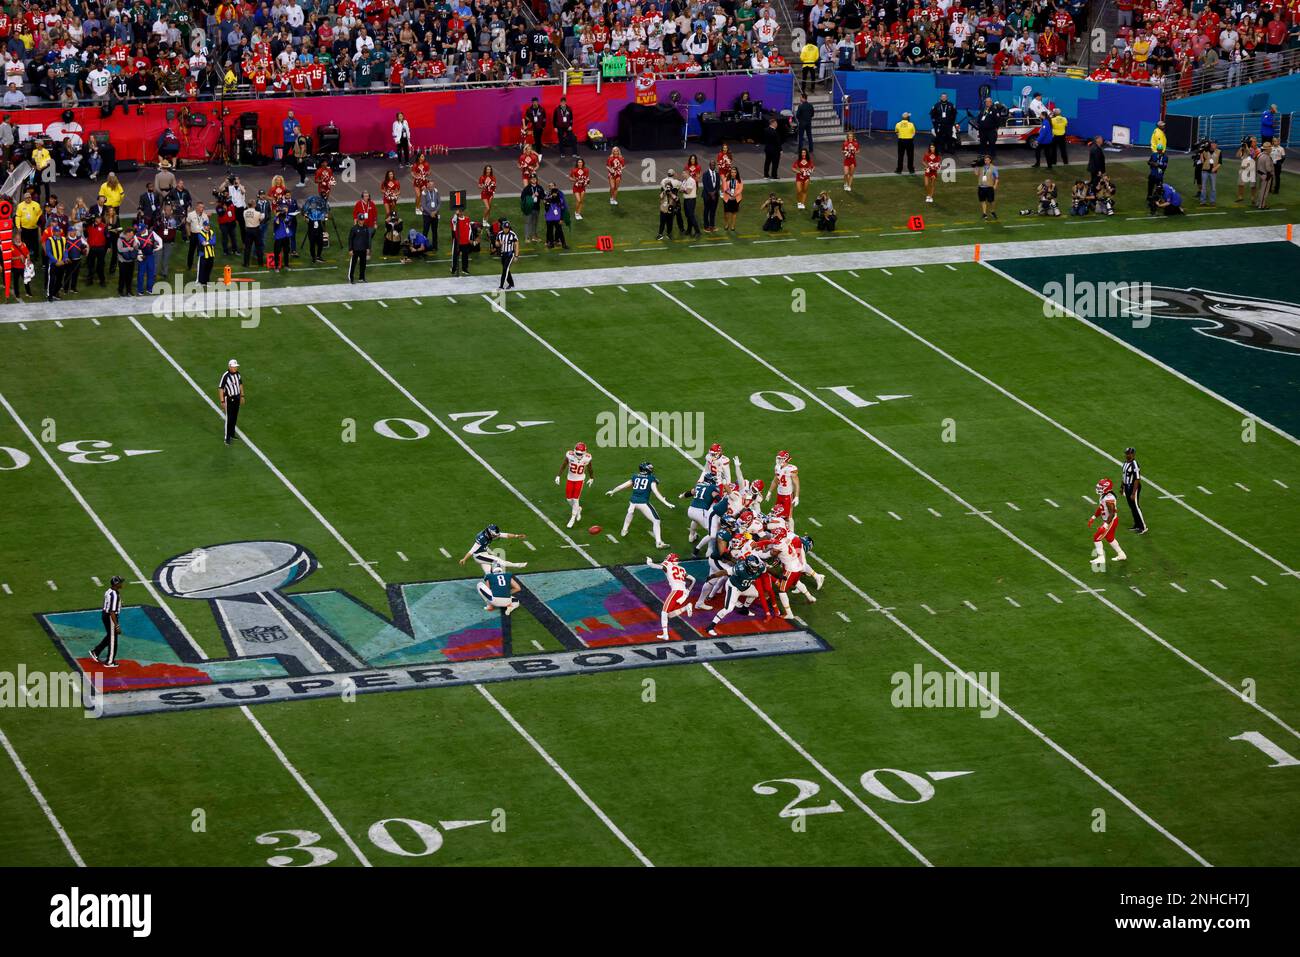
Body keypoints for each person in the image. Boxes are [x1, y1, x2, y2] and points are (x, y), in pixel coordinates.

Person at [606, 462, 675, 549]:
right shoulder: (651, 478)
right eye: (649, 468)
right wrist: (666, 503)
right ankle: (659, 542)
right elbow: (656, 493)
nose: (651, 469)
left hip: (632, 501)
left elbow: (622, 486)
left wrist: (613, 491)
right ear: (646, 469)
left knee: (630, 512)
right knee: (656, 521)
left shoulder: (635, 476)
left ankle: (624, 530)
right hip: (642, 503)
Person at [90, 576, 124, 668]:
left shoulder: (109, 591)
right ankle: (109, 661)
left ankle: (96, 651)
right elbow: (112, 612)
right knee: (113, 639)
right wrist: (117, 626)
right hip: (110, 617)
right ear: (116, 584)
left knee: (110, 636)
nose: (122, 584)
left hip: (105, 615)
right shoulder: (115, 595)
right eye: (120, 582)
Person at [218, 359, 244, 445]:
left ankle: (232, 434)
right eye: (234, 367)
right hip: (229, 399)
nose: (235, 368)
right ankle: (227, 437)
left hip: (236, 398)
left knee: (235, 417)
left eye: (236, 367)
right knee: (229, 418)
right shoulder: (225, 376)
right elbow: (221, 388)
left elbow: (240, 384)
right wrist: (222, 401)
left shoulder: (238, 374)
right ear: (229, 367)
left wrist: (242, 396)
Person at [1121, 447, 1146, 534]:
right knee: (1132, 507)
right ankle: (1136, 525)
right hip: (1127, 486)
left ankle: (1143, 527)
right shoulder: (1125, 463)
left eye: (1129, 453)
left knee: (1136, 506)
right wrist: (1122, 487)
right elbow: (1124, 476)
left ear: (1133, 454)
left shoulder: (1134, 464)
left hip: (1133, 487)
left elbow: (1137, 479)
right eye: (1126, 453)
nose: (1127, 455)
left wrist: (1133, 493)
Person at [43, 223, 67, 302]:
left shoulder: (63, 239)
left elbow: (65, 250)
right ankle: (49, 295)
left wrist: (64, 259)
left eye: (59, 231)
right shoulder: (49, 240)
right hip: (53, 263)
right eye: (56, 231)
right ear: (53, 232)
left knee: (60, 281)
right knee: (52, 280)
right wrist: (56, 261)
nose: (58, 233)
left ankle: (55, 293)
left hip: (61, 263)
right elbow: (48, 252)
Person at [304, 194, 329, 262]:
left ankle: (318, 256)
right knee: (312, 243)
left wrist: (325, 216)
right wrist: (306, 218)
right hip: (311, 228)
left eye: (315, 203)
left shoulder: (319, 210)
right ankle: (313, 257)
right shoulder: (308, 211)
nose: (314, 205)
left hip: (319, 227)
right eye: (313, 203)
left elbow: (325, 213)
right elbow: (304, 214)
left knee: (320, 243)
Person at [116, 225, 139, 296]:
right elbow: (120, 249)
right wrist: (129, 248)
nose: (132, 235)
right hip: (122, 261)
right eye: (131, 234)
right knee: (122, 276)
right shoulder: (120, 239)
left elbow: (135, 246)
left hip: (131, 261)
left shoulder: (133, 238)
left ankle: (129, 291)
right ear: (127, 233)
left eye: (133, 234)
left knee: (130, 276)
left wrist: (136, 246)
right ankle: (120, 290)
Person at [450, 206, 474, 274]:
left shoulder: (467, 219)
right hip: (457, 241)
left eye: (461, 211)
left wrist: (470, 239)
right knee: (455, 255)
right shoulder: (455, 219)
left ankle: (464, 269)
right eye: (459, 211)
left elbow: (470, 230)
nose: (461, 213)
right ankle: (453, 269)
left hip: (465, 242)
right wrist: (456, 214)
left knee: (465, 256)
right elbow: (453, 222)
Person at [521, 175, 545, 243]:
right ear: (530, 180)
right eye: (532, 179)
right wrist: (531, 196)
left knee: (535, 223)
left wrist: (540, 196)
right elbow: (523, 197)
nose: (534, 180)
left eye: (535, 178)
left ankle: (534, 237)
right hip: (529, 208)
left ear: (536, 179)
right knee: (528, 222)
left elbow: (543, 196)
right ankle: (527, 237)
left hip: (536, 208)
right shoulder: (527, 188)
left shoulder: (539, 187)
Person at [544, 183, 568, 249]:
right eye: (553, 193)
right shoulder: (548, 200)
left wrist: (561, 219)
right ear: (551, 193)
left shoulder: (560, 201)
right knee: (550, 231)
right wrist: (547, 202)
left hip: (557, 218)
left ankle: (564, 244)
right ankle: (551, 244)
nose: (554, 194)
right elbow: (546, 208)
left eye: (555, 193)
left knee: (560, 231)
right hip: (549, 218)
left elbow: (563, 210)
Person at [496, 217, 518, 289]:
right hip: (503, 254)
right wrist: (499, 243)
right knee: (506, 269)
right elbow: (496, 243)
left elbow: (516, 245)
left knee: (505, 269)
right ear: (503, 227)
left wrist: (516, 255)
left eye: (507, 228)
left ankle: (501, 286)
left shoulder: (513, 234)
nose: (506, 229)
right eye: (505, 228)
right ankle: (511, 283)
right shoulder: (499, 234)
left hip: (510, 254)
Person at [347, 215, 371, 283]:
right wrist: (350, 249)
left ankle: (362, 278)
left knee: (363, 264)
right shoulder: (354, 228)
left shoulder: (366, 228)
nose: (362, 221)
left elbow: (367, 238)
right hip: (355, 250)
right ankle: (351, 278)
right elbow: (350, 239)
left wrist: (368, 248)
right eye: (360, 220)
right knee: (353, 264)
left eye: (363, 220)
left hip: (363, 249)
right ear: (358, 220)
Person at [418, 183, 440, 251]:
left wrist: (435, 211)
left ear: (434, 186)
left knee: (435, 231)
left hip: (435, 214)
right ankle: (423, 246)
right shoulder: (424, 193)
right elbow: (423, 205)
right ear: (427, 187)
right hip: (427, 215)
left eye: (432, 186)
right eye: (429, 186)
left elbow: (439, 203)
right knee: (425, 231)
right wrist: (430, 213)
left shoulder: (436, 192)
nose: (431, 187)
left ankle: (435, 246)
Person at [195, 218, 217, 286]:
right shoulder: (200, 233)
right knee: (202, 268)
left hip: (211, 254)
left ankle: (206, 281)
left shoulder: (212, 232)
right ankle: (200, 282)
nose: (208, 227)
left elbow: (214, 242)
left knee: (209, 268)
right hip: (203, 254)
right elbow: (203, 243)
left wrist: (207, 242)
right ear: (204, 226)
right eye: (207, 225)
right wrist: (210, 242)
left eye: (209, 225)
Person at [680, 167, 700, 238]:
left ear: (687, 173)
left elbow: (688, 191)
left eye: (683, 173)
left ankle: (697, 231)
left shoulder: (691, 180)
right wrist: (683, 190)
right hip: (686, 200)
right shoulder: (685, 180)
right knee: (688, 216)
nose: (682, 174)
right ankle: (689, 230)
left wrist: (683, 190)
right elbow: (681, 189)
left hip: (691, 200)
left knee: (691, 216)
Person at [702, 160, 721, 234]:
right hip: (707, 195)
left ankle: (712, 225)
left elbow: (718, 185)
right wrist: (711, 193)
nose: (713, 166)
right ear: (709, 165)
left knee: (713, 211)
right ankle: (706, 226)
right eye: (712, 165)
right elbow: (705, 185)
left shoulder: (717, 174)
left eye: (714, 165)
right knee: (706, 211)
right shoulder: (705, 174)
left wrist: (714, 192)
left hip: (715, 196)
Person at [977, 155, 999, 220]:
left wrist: (995, 185)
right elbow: (976, 174)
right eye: (985, 160)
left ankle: (992, 211)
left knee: (991, 201)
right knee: (982, 201)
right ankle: (984, 214)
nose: (986, 161)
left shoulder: (994, 168)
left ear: (990, 160)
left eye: (987, 160)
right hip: (981, 187)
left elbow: (997, 178)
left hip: (989, 187)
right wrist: (975, 166)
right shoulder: (981, 167)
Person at [1199, 141, 1221, 206]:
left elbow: (1220, 163)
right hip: (1205, 171)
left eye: (1215, 144)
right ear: (1210, 145)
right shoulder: (1205, 151)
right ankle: (1203, 201)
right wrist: (1201, 153)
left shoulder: (1219, 152)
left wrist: (1215, 168)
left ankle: (1212, 201)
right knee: (1203, 187)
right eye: (1212, 144)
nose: (1214, 145)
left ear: (1216, 145)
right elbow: (1202, 161)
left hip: (1213, 172)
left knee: (1213, 188)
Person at [1255, 140, 1275, 209]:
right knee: (1264, 191)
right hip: (1266, 176)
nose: (1271, 148)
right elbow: (1268, 169)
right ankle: (1262, 205)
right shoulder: (1267, 157)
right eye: (1270, 147)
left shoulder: (1259, 155)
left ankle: (1258, 203)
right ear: (1268, 149)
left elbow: (1256, 165)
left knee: (1260, 190)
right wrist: (1272, 171)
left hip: (1260, 174)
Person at [1236, 140, 1257, 204]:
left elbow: (1252, 155)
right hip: (1243, 169)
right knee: (1240, 184)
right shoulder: (1242, 150)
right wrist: (1241, 149)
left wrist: (1247, 148)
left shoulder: (1251, 149)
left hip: (1251, 169)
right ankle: (1240, 197)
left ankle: (1253, 198)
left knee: (1252, 185)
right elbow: (1237, 155)